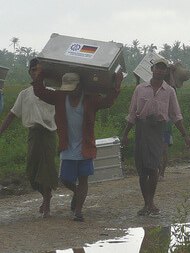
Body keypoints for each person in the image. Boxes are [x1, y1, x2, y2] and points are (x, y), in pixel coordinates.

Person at [33, 67, 123, 222]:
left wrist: (117, 85)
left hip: (85, 146)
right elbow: (39, 92)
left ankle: (78, 211)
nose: (69, 91)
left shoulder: (91, 98)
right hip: (67, 146)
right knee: (66, 179)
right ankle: (76, 192)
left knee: (83, 179)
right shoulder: (60, 97)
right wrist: (40, 74)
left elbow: (108, 102)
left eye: (72, 88)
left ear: (80, 86)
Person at [122, 58, 190, 217]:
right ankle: (146, 203)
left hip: (157, 129)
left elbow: (176, 116)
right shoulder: (140, 89)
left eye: (163, 69)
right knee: (142, 169)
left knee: (153, 167)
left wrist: (185, 135)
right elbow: (133, 113)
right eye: (157, 68)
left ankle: (150, 202)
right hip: (141, 128)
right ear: (152, 69)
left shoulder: (169, 91)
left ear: (167, 72)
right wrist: (125, 134)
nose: (160, 71)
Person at [0, 58, 57, 218]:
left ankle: (46, 205)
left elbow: (60, 117)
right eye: (33, 70)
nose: (36, 73)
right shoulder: (24, 94)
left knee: (47, 168)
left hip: (49, 134)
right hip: (34, 134)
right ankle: (46, 196)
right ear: (29, 73)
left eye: (39, 70)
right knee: (32, 171)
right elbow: (12, 115)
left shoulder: (52, 92)